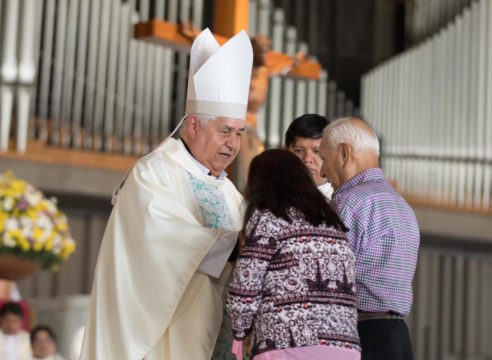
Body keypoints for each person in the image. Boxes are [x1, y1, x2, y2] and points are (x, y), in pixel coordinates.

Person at [80, 28, 253, 359]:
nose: (233, 144)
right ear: (193, 127)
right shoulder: (153, 173)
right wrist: (235, 243)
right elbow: (161, 240)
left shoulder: (230, 191)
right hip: (167, 341)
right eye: (224, 131)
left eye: (239, 133)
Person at [226, 149, 361, 360]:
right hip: (344, 347)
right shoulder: (334, 224)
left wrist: (240, 332)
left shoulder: (268, 218)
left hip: (284, 344)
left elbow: (246, 287)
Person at [319, 117, 420, 360]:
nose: (322, 171)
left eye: (323, 158)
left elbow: (324, 278)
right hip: (398, 338)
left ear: (344, 153)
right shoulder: (403, 206)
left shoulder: (348, 203)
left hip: (360, 337)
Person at [284, 113, 333, 199]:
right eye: (298, 151)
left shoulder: (340, 204)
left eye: (317, 151)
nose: (307, 159)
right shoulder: (271, 199)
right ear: (285, 152)